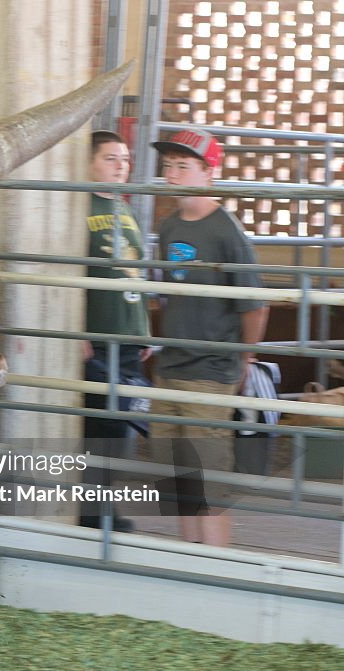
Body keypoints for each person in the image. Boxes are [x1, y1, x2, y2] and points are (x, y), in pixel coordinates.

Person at [150, 127, 269, 547]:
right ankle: (188, 560)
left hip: (209, 369)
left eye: (183, 166)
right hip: (170, 367)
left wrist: (244, 358)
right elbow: (168, 294)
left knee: (208, 478)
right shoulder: (166, 228)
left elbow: (255, 304)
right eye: (168, 166)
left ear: (208, 173)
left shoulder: (226, 232)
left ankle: (213, 564)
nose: (173, 174)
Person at [79, 130, 152, 533]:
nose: (120, 165)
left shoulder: (126, 209)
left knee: (122, 426)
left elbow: (136, 274)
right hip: (97, 335)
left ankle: (104, 506)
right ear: (88, 162)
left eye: (124, 158)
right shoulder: (80, 208)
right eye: (110, 158)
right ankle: (92, 512)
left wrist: (143, 330)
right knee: (100, 425)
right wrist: (77, 332)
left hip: (127, 336)